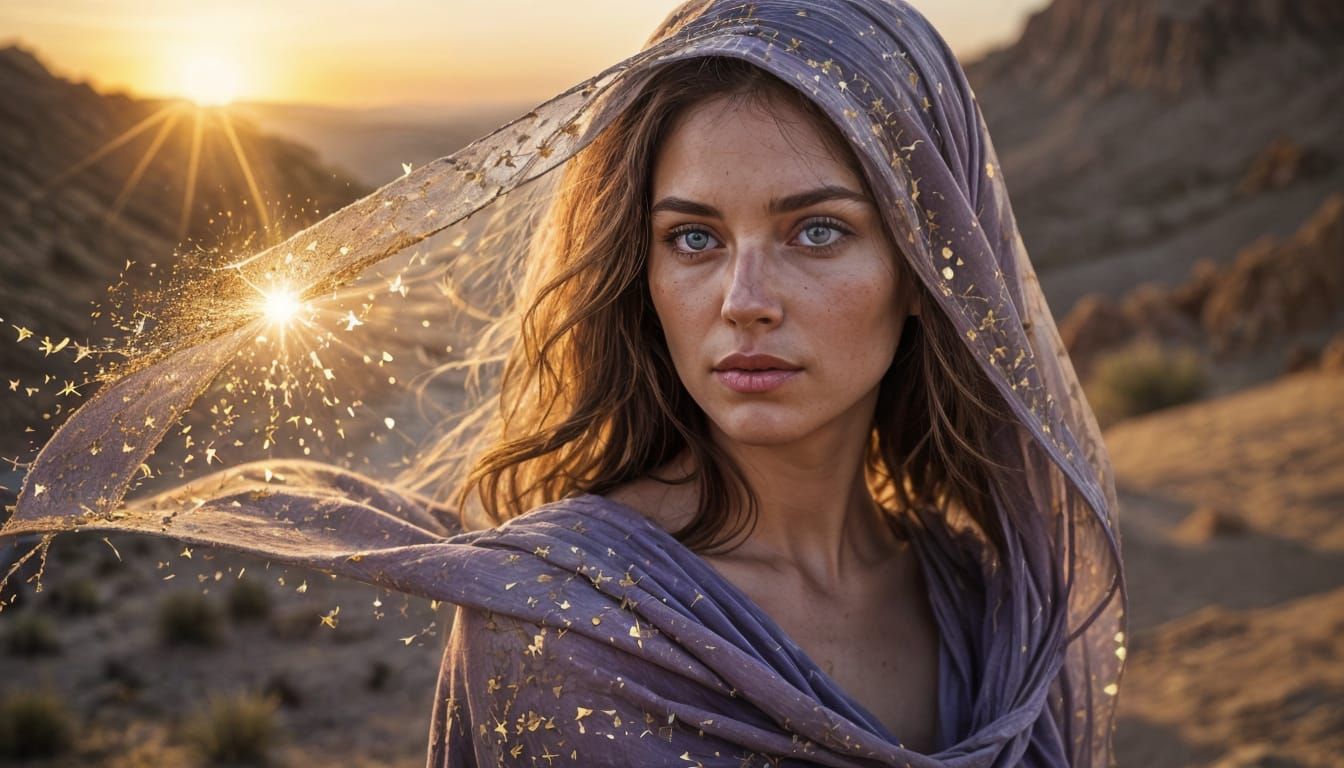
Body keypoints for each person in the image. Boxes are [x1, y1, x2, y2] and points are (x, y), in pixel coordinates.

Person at [2, 1, 1126, 766]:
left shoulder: (994, 599)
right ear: (642, 272)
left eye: (817, 230)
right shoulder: (566, 628)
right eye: (692, 239)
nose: (744, 297)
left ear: (929, 272)